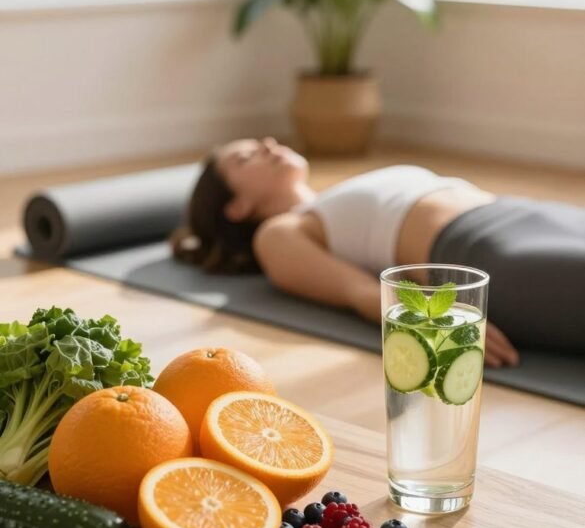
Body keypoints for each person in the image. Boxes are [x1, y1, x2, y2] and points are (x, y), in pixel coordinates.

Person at [172, 137, 585, 368]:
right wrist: (432, 322)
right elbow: (361, 292)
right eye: (246, 157)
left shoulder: (331, 199)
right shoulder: (277, 234)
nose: (266, 143)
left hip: (527, 213)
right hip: (489, 252)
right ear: (236, 207)